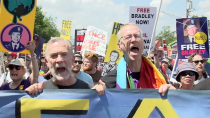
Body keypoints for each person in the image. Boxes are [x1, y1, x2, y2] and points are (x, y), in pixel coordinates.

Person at [25, 37, 105, 96]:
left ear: (73, 60)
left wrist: (102, 97)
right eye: (54, 55)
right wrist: (28, 95)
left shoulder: (88, 90)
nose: (59, 60)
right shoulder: (39, 92)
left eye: (64, 54)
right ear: (47, 62)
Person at [100, 23, 167, 88]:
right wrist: (96, 93)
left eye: (137, 36)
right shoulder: (108, 83)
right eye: (128, 37)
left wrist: (172, 92)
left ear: (143, 43)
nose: (133, 39)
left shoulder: (159, 78)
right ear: (119, 46)